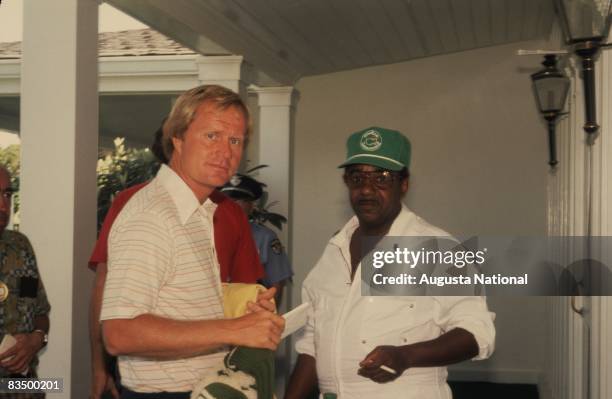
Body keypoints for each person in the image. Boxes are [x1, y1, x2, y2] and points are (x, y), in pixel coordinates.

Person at [100, 85, 285, 398]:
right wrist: (236, 329)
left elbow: (176, 297)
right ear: (178, 138)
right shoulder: (153, 216)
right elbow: (119, 332)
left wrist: (241, 304)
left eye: (235, 140)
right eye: (212, 135)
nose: (226, 152)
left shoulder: (198, 210)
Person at [285, 127, 495, 399]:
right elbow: (313, 344)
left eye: (382, 178)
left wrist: (406, 355)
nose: (367, 190)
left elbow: (477, 333)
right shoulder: (334, 249)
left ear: (404, 184)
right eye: (357, 177)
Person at [0, 166, 51, 392]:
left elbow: (38, 312)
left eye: (7, 195)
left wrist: (36, 339)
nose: (3, 206)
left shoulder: (20, 248)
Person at [221, 174, 294, 304]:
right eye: (226, 200)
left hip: (248, 310)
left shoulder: (265, 238)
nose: (231, 205)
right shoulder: (207, 233)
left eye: (239, 201)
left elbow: (275, 284)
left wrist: (266, 314)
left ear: (251, 206)